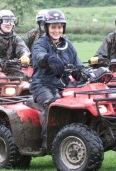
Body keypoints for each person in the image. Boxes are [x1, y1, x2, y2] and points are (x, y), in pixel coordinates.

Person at [30, 9, 83, 151]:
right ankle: (48, 143)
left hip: (64, 85)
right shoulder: (40, 43)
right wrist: (49, 58)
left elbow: (78, 66)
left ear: (63, 28)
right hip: (42, 85)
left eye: (59, 27)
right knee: (52, 104)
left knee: (81, 100)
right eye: (53, 27)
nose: (56, 30)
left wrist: (83, 74)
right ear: (47, 28)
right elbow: (38, 56)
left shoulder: (68, 45)